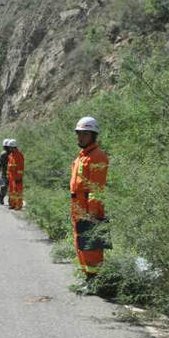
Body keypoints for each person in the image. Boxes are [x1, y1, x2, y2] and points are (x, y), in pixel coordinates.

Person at [70, 117, 109, 277]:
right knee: (81, 244)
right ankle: (87, 277)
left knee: (92, 247)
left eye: (85, 134)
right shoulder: (82, 156)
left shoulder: (97, 156)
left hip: (89, 208)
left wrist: (92, 212)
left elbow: (96, 188)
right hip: (78, 207)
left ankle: (95, 280)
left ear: (93, 136)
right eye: (78, 134)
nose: (80, 137)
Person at [7, 139, 25, 210]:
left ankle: (19, 205)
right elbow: (9, 166)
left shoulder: (19, 155)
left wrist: (19, 177)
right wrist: (8, 175)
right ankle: (13, 204)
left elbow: (21, 167)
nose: (9, 149)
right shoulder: (11, 155)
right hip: (11, 177)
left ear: (14, 147)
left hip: (17, 177)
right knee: (12, 191)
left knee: (18, 191)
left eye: (10, 147)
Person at [0, 139, 10, 205]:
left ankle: (0, 199)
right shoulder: (13, 153)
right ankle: (11, 201)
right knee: (11, 187)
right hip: (12, 173)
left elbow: (0, 163)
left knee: (3, 186)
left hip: (4, 172)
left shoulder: (3, 153)